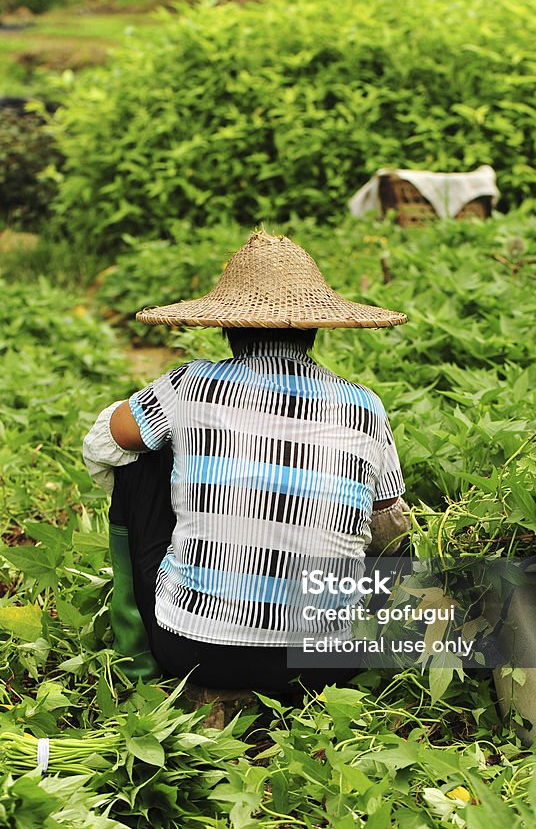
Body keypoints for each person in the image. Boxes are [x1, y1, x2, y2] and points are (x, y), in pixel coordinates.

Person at [83, 230, 410, 700]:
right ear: (314, 331)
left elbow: (101, 444)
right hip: (324, 665)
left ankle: (143, 653)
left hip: (193, 648)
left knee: (140, 452)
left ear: (227, 327)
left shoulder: (189, 385)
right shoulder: (365, 406)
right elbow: (390, 531)